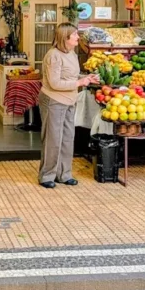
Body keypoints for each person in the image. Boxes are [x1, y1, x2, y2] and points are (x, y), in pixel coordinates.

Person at [38, 23, 98, 189]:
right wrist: (79, 83)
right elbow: (55, 83)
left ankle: (64, 174)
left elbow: (70, 76)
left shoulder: (72, 53)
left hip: (70, 100)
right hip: (53, 101)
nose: (78, 37)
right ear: (65, 37)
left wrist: (86, 78)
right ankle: (47, 175)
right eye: (75, 34)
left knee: (67, 138)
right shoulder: (53, 56)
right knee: (53, 139)